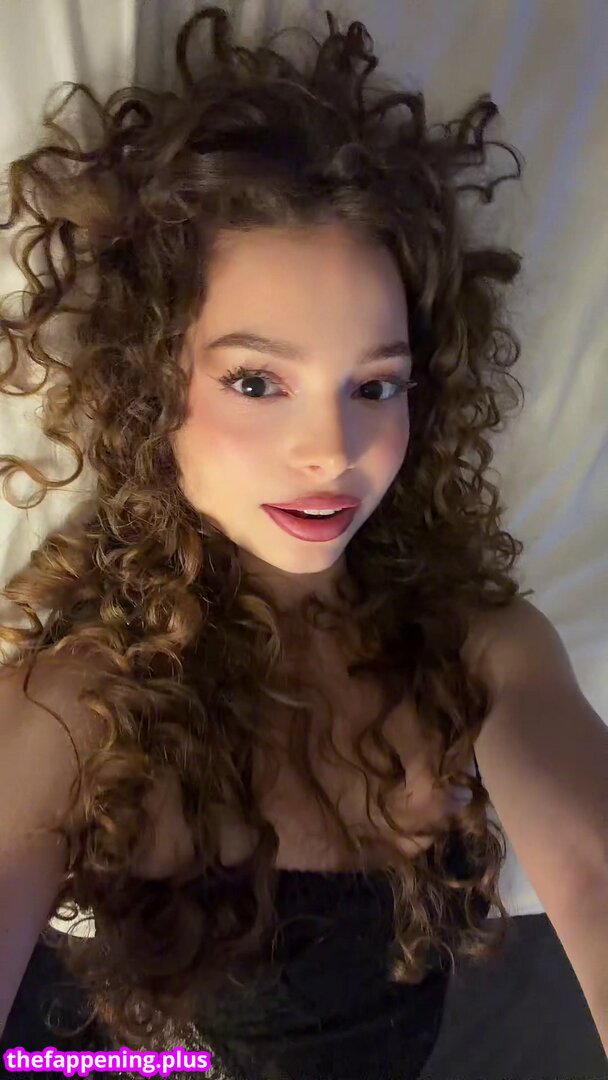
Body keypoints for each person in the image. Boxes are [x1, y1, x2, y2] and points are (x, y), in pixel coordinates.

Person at [3, 6, 605, 1079]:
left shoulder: (480, 653)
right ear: (152, 383)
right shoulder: (79, 701)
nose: (332, 450)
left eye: (374, 386)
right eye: (255, 381)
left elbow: (594, 868)